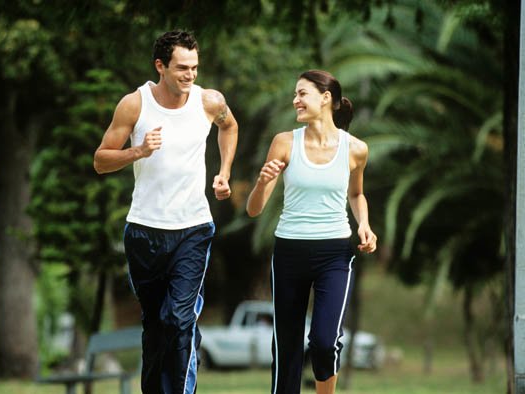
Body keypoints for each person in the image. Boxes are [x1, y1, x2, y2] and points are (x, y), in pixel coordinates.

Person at [93, 30, 238, 394]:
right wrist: (137, 152)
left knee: (178, 318)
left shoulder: (208, 101)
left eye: (194, 67)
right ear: (160, 66)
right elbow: (100, 160)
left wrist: (223, 172)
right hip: (143, 230)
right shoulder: (134, 104)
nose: (190, 75)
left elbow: (229, 127)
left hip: (193, 228)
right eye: (181, 68)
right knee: (157, 325)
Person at [246, 70, 377, 394]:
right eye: (295, 94)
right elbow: (254, 209)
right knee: (287, 346)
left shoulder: (356, 149)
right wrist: (263, 181)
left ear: (325, 98)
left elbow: (356, 194)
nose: (295, 100)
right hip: (290, 252)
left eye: (302, 93)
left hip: (335, 254)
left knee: (323, 341)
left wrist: (363, 224)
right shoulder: (284, 142)